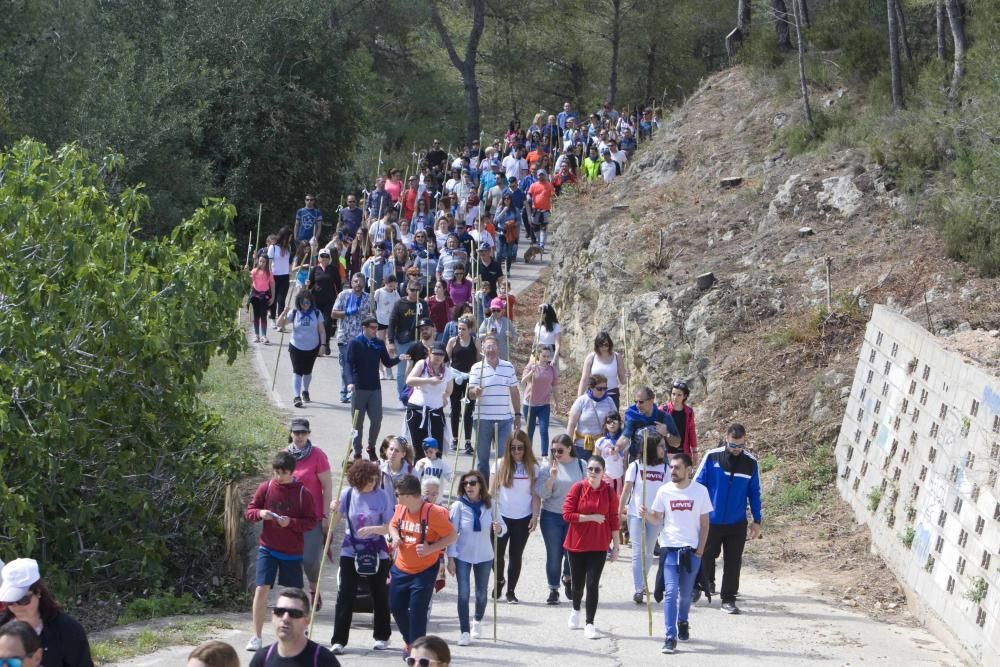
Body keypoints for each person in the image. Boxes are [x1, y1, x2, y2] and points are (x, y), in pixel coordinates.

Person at [244, 452, 318, 651]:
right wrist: (261, 513)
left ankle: (299, 634)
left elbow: (311, 521)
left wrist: (291, 522)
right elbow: (250, 511)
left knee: (294, 595)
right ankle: (256, 636)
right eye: (276, 472)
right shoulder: (266, 487)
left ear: (292, 472)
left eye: (283, 473)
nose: (279, 477)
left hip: (292, 552)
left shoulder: (303, 493)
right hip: (267, 548)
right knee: (261, 589)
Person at [642, 453, 712, 654]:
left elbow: (705, 524)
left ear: (688, 469)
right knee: (671, 592)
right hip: (670, 549)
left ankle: (683, 620)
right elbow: (656, 519)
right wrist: (646, 514)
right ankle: (670, 636)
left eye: (677, 467)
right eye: (671, 467)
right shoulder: (664, 491)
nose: (672, 471)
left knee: (686, 595)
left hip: (691, 551)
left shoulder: (700, 492)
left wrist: (700, 551)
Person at [694, 423, 763, 614]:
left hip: (736, 522)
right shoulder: (711, 456)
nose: (736, 449)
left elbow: (755, 493)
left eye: (740, 446)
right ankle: (705, 583)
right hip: (711, 520)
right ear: (726, 438)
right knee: (707, 555)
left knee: (733, 561)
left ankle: (728, 598)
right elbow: (697, 485)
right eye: (733, 445)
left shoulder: (750, 463)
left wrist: (757, 521)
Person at [388, 475, 457, 658]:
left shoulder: (433, 513)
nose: (396, 497)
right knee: (395, 606)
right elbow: (392, 525)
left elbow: (452, 536)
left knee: (418, 611)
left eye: (398, 494)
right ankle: (411, 642)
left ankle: (417, 655)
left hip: (424, 571)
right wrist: (395, 536)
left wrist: (430, 549)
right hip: (401, 568)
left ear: (409, 495)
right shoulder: (401, 508)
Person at [329, 460, 393, 655]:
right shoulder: (348, 494)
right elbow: (333, 525)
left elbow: (391, 526)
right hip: (351, 549)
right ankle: (339, 640)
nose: (372, 484)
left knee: (379, 593)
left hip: (377, 550)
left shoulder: (382, 496)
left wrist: (373, 529)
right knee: (345, 594)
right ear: (357, 480)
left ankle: (382, 636)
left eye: (375, 480)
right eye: (368, 481)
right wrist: (333, 509)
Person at [562, 455, 619, 640]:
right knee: (578, 585)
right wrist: (590, 517)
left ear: (603, 472)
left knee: (592, 584)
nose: (593, 473)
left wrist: (616, 545)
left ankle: (590, 623)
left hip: (599, 544)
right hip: (576, 544)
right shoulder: (577, 488)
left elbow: (613, 519)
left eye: (597, 470)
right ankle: (575, 608)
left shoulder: (609, 492)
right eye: (590, 469)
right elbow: (567, 514)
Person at [447, 470, 506, 646]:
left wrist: (499, 529)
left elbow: (503, 526)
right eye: (465, 484)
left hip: (485, 555)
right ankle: (464, 631)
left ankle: (477, 620)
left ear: (480, 485)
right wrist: (450, 558)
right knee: (463, 594)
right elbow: (451, 533)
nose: (469, 486)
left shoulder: (491, 504)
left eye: (473, 483)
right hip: (462, 555)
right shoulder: (458, 506)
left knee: (481, 594)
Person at [0, 559, 92, 666]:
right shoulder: (2, 624)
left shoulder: (67, 629)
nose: (16, 607)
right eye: (10, 601)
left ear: (38, 592)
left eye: (23, 600)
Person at [285, 418, 332, 611]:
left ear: (308, 434)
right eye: (296, 433)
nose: (299, 436)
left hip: (313, 517)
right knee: (292, 559)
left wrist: (326, 515)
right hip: (290, 518)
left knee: (310, 560)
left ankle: (313, 588)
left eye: (303, 433)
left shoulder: (317, 455)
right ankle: (296, 601)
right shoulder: (284, 455)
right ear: (291, 434)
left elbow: (327, 486)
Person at [534, 434, 586, 605]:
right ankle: (553, 589)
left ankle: (568, 578)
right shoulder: (547, 467)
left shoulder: (581, 465)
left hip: (574, 517)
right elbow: (541, 493)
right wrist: (552, 478)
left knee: (572, 553)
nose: (556, 453)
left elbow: (589, 489)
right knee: (554, 555)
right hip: (552, 516)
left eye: (560, 450)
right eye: (553, 450)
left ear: (570, 448)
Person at [489, 430, 540, 604]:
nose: (516, 452)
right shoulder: (499, 464)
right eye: (513, 448)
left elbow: (535, 495)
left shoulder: (533, 467)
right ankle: (499, 580)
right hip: (502, 516)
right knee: (496, 555)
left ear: (526, 448)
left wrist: (535, 516)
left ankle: (511, 590)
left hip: (523, 518)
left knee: (515, 555)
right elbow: (491, 493)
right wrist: (492, 517)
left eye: (520, 448)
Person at [619, 430, 668, 604]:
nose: (664, 449)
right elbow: (626, 491)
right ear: (652, 447)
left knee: (648, 552)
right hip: (636, 514)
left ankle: (643, 582)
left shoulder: (665, 468)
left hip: (655, 517)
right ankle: (638, 588)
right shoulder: (636, 466)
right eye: (661, 446)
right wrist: (619, 513)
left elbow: (668, 493)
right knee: (637, 552)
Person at [346, 317, 404, 461]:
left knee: (377, 419)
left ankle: (371, 447)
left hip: (374, 388)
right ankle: (357, 451)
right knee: (357, 423)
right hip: (358, 388)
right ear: (364, 327)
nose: (375, 330)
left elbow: (387, 363)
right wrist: (350, 382)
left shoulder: (378, 343)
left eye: (376, 328)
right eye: (372, 327)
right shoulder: (355, 343)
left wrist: (399, 358)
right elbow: (348, 365)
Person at [467, 336, 522, 481]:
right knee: (482, 458)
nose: (490, 350)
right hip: (483, 419)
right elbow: (471, 394)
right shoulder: (476, 368)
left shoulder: (508, 366)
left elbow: (514, 392)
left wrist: (517, 414)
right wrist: (475, 392)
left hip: (504, 419)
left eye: (493, 346)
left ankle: (500, 486)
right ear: (483, 350)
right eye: (487, 347)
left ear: (498, 347)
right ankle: (484, 489)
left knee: (504, 457)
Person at [249, 588, 339, 666]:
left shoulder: (324, 661)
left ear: (307, 620)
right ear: (273, 617)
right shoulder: (262, 659)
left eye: (294, 613)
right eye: (280, 611)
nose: (285, 618)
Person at [277, 291, 328, 409]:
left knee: (308, 371)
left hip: (313, 346)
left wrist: (323, 345)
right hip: (296, 346)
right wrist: (284, 312)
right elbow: (280, 323)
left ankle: (305, 391)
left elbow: (322, 331)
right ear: (299, 302)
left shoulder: (316, 313)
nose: (306, 304)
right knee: (297, 371)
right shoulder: (294, 313)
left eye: (308, 301)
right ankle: (296, 396)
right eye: (303, 302)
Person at [405, 343, 454, 459]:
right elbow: (409, 381)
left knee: (436, 450)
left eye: (441, 354)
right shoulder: (422, 364)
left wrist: (444, 397)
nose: (438, 357)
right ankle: (417, 475)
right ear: (429, 352)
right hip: (417, 411)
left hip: (435, 412)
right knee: (418, 449)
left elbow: (449, 391)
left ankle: (434, 474)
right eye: (435, 353)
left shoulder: (447, 372)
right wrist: (428, 380)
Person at [332, 273, 374, 404]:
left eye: (361, 282)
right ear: (351, 282)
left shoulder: (368, 298)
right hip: (344, 337)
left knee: (358, 366)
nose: (358, 284)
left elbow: (372, 318)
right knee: (346, 365)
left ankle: (355, 391)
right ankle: (345, 392)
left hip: (361, 338)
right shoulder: (343, 295)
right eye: (356, 281)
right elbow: (333, 313)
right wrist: (347, 313)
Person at [388, 281, 428, 405]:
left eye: (417, 290)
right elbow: (392, 323)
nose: (415, 293)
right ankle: (403, 397)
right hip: (402, 341)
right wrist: (390, 341)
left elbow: (427, 321)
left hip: (418, 340)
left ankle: (417, 395)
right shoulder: (400, 303)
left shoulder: (422, 304)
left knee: (419, 369)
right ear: (407, 290)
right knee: (402, 371)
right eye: (412, 290)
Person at [446, 314, 480, 455]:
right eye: (458, 328)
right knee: (455, 409)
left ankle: (467, 441)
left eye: (463, 329)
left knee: (469, 410)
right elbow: (446, 360)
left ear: (469, 329)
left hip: (469, 378)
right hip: (455, 377)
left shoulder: (475, 342)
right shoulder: (452, 342)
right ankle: (454, 438)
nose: (460, 331)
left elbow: (478, 361)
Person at [619, 387, 681, 459]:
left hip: (658, 463)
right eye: (636, 402)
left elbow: (677, 444)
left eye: (641, 402)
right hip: (638, 462)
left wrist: (666, 433)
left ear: (651, 400)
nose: (638, 405)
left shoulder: (664, 417)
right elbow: (625, 437)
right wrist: (616, 448)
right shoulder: (632, 415)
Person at [566, 374, 618, 461]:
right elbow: (571, 423)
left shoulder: (609, 401)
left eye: (605, 388)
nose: (602, 391)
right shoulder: (582, 401)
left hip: (602, 446)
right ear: (591, 387)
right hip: (582, 446)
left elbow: (616, 422)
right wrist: (567, 444)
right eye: (599, 389)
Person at [521, 346, 558, 457]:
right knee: (530, 431)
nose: (546, 358)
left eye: (548, 356)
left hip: (544, 404)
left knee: (543, 430)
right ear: (538, 355)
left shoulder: (551, 369)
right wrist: (531, 373)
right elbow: (523, 381)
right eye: (543, 356)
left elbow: (555, 387)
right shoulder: (531, 366)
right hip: (529, 404)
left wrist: (556, 402)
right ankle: (528, 456)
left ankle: (544, 456)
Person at [577, 332, 629, 409]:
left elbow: (623, 381)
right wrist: (579, 398)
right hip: (594, 394)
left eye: (606, 345)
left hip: (612, 394)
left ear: (610, 344)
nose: (604, 347)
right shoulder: (591, 357)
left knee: (612, 420)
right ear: (597, 345)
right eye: (601, 345)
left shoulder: (617, 357)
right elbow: (584, 379)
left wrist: (627, 376)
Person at [308, 247, 341, 349]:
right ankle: (317, 345)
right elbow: (310, 284)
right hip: (316, 300)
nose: (324, 258)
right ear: (319, 257)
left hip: (329, 300)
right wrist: (308, 284)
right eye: (322, 256)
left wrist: (340, 298)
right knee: (317, 323)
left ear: (330, 258)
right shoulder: (315, 269)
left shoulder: (334, 269)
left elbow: (338, 285)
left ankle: (325, 344)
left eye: (327, 256)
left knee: (327, 323)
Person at [664, 380, 699, 464]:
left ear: (685, 396)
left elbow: (691, 432)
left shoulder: (689, 412)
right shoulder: (663, 410)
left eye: (679, 395)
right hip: (665, 453)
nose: (675, 397)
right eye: (673, 394)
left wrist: (694, 451)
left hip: (682, 452)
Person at [374, 274, 402, 379]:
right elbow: (372, 302)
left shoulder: (395, 294)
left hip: (391, 322)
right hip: (380, 320)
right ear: (385, 283)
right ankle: (380, 371)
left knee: (389, 346)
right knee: (379, 345)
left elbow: (399, 305)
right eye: (389, 284)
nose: (391, 286)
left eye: (393, 284)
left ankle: (389, 369)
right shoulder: (379, 292)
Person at [267, 227, 293, 323]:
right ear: (284, 237)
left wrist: (290, 272)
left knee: (282, 300)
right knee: (273, 299)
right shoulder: (273, 248)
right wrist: (270, 277)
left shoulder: (288, 248)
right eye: (289, 237)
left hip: (285, 276)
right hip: (274, 276)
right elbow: (269, 264)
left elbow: (287, 262)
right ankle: (273, 319)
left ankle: (280, 320)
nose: (290, 239)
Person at [478, 297, 516, 362]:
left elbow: (516, 339)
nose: (495, 312)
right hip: (488, 356)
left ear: (503, 310)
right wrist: (487, 334)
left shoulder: (507, 322)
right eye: (493, 310)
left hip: (503, 356)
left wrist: (511, 336)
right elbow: (478, 336)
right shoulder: (486, 321)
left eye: (498, 310)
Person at [526, 169, 555, 249]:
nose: (541, 176)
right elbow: (529, 193)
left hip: (545, 210)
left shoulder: (549, 185)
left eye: (542, 175)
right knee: (535, 228)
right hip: (535, 210)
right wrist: (528, 198)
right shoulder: (533, 185)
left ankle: (542, 244)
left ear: (545, 175)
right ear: (537, 176)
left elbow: (552, 197)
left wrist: (553, 209)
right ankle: (539, 241)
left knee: (544, 227)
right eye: (539, 175)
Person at [597, 413, 625, 494]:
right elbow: (596, 461)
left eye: (615, 421)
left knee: (616, 503)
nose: (612, 424)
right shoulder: (600, 441)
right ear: (605, 424)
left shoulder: (625, 442)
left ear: (620, 423)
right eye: (609, 422)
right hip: (604, 477)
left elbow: (625, 462)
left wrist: (625, 479)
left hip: (618, 477)